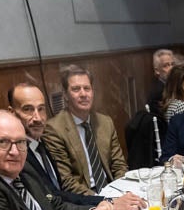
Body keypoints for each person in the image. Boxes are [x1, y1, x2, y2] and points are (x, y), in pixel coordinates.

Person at [9, 83, 142, 210]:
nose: (37, 118)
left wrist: (111, 200)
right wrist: (105, 204)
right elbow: (55, 198)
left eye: (41, 109)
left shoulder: (40, 144)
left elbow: (58, 195)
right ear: (12, 113)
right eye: (28, 109)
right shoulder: (16, 155)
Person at [42, 65, 128, 196]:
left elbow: (119, 165)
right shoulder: (54, 129)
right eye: (76, 89)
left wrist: (123, 192)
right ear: (65, 95)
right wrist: (102, 200)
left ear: (92, 92)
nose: (83, 94)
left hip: (112, 189)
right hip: (84, 198)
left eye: (87, 88)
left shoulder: (105, 122)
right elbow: (66, 181)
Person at [147, 48, 174, 114]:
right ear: (157, 70)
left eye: (172, 64)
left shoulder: (172, 85)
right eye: (166, 65)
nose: (171, 68)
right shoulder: (157, 91)